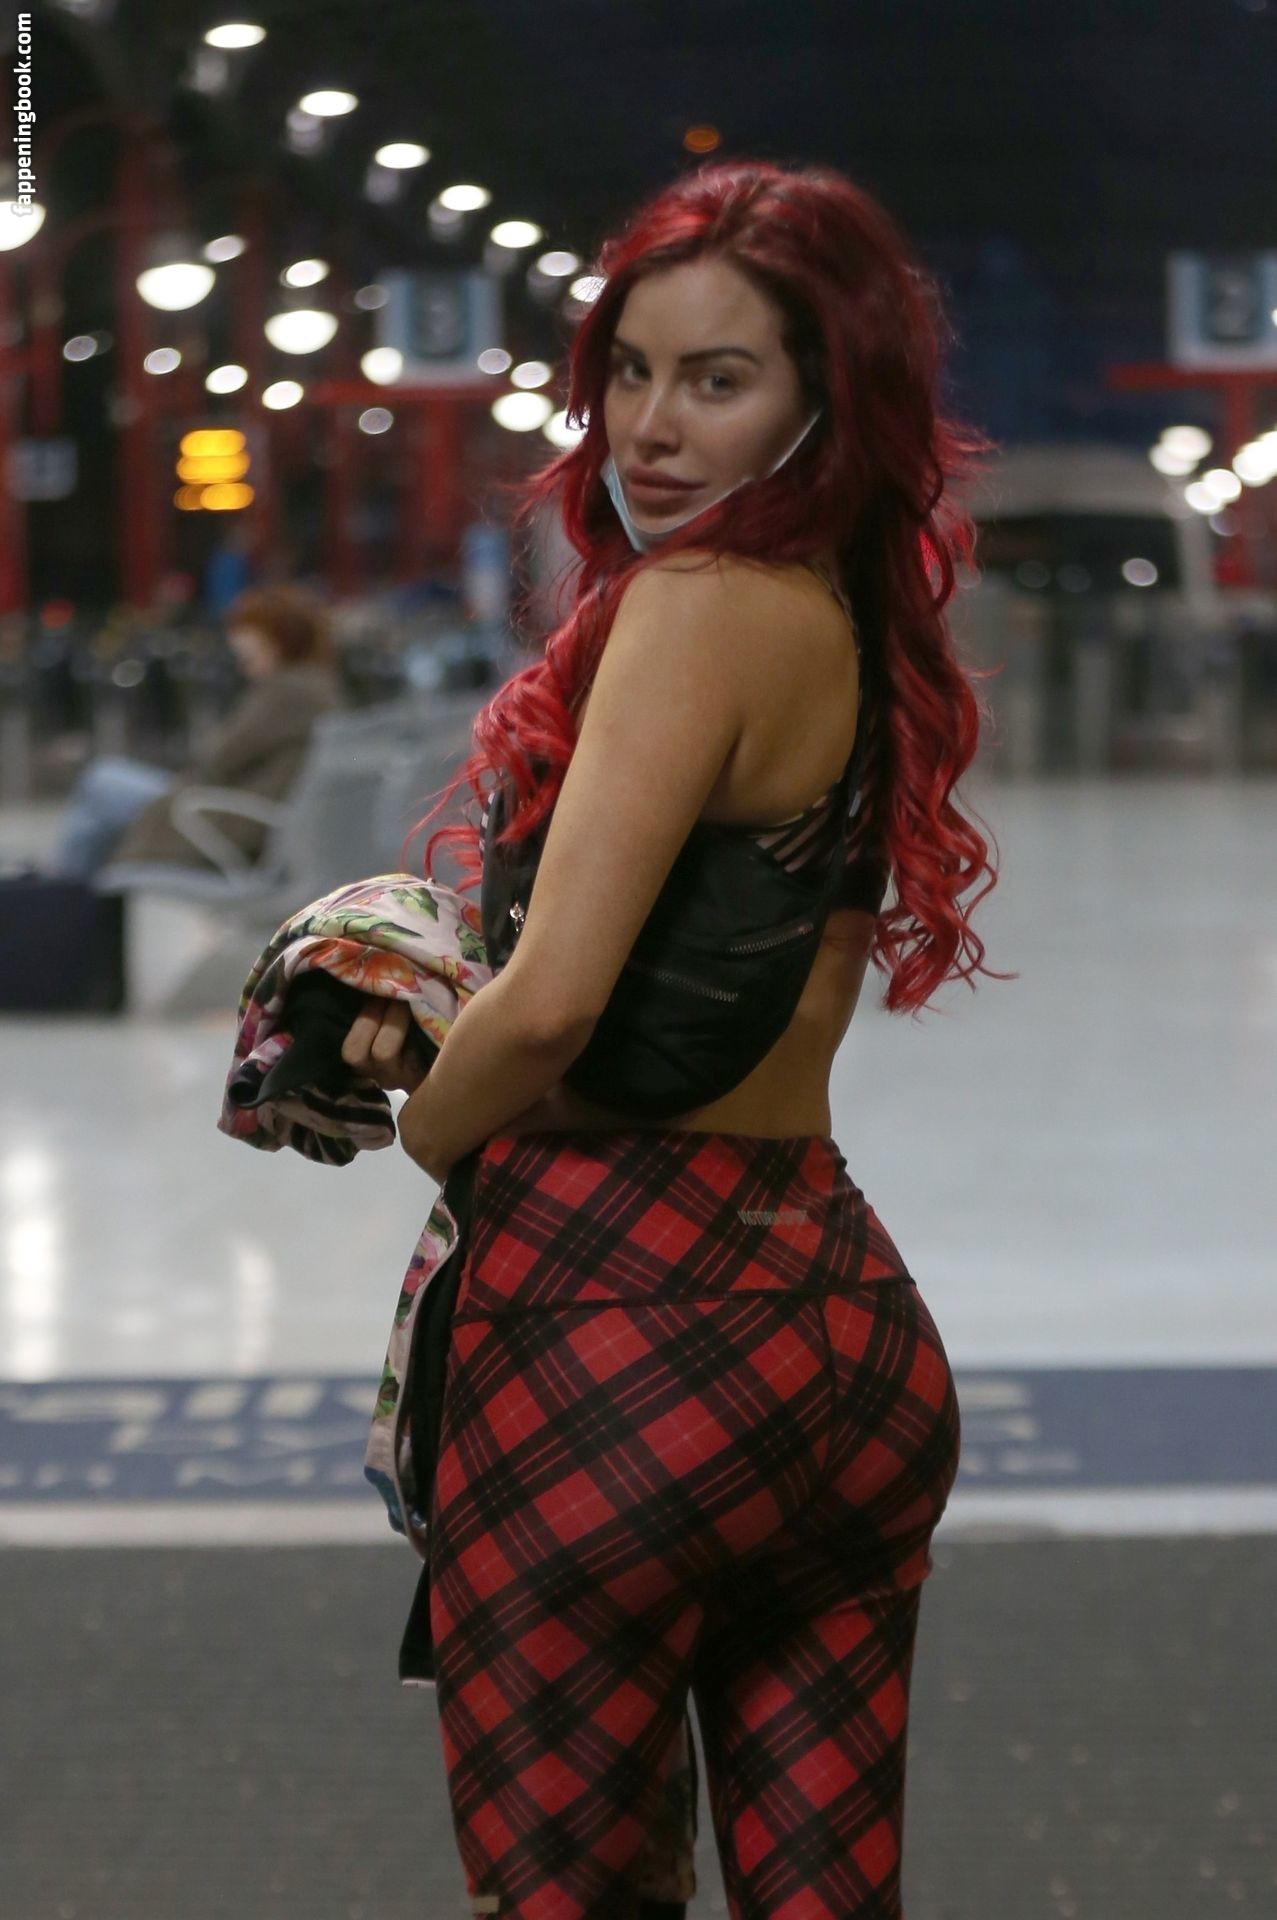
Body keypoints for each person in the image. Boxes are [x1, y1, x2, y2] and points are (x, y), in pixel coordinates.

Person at [340, 159, 1008, 1919]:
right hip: (837, 1329)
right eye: (629, 372)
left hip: (611, 1330)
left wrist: (430, 1119)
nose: (648, 427)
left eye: (718, 380)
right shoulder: (849, 614)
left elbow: (557, 1000)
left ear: (823, 398)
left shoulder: (692, 605)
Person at [48, 585, 342, 880]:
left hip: (222, 819)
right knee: (102, 805)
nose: (235, 642)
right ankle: (79, 889)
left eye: (246, 630)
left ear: (278, 637)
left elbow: (216, 760)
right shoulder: (316, 686)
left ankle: (66, 891)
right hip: (243, 812)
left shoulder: (285, 693)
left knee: (102, 781)